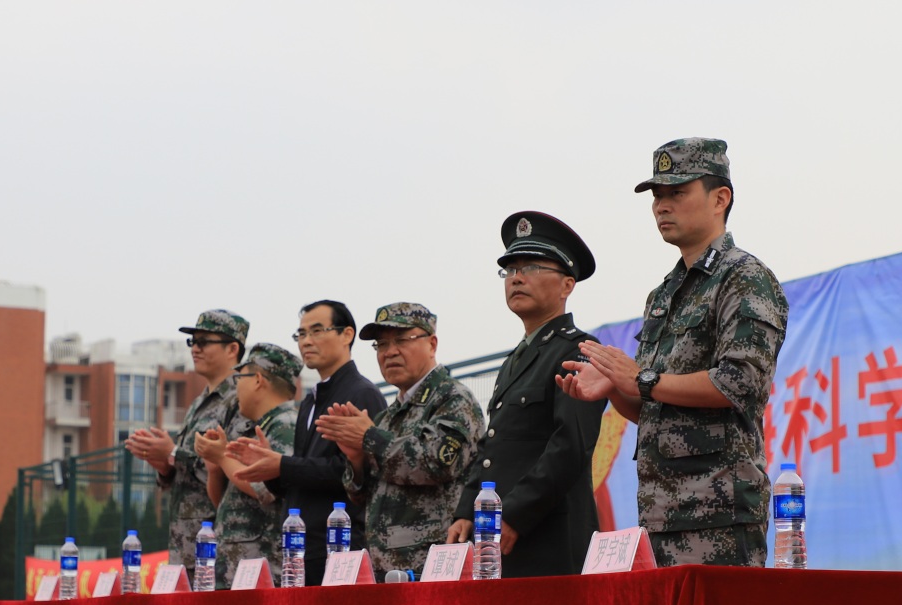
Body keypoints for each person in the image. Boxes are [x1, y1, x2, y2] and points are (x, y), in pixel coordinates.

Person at [556, 138, 788, 567]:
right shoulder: (663, 294)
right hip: (660, 514)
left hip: (720, 515)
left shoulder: (744, 277)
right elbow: (655, 409)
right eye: (657, 196)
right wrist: (615, 388)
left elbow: (741, 383)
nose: (662, 206)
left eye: (677, 192)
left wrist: (640, 379)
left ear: (720, 199)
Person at [446, 212, 606, 577]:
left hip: (548, 537)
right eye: (510, 270)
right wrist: (466, 509)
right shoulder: (514, 361)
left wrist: (515, 514)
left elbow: (570, 445)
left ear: (567, 285)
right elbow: (493, 446)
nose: (516, 277)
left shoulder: (578, 350)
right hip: (498, 537)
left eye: (532, 267)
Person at [315, 303, 484, 579]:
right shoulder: (386, 416)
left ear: (432, 344)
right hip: (385, 568)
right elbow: (361, 496)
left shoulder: (452, 399)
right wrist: (356, 459)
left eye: (402, 340)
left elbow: (437, 464)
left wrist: (369, 437)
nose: (390, 352)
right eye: (381, 344)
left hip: (434, 565)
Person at [227, 300, 386, 585]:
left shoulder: (361, 393)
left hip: (339, 547)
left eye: (316, 331)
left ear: (347, 334)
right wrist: (270, 469)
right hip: (300, 549)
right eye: (301, 334)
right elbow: (298, 478)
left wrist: (283, 465)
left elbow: (353, 473)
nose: (306, 341)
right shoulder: (310, 401)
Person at [125, 309, 247, 574]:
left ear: (232, 349)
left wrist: (173, 453)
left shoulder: (240, 401)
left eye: (204, 342)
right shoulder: (198, 403)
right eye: (192, 342)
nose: (195, 349)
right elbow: (187, 472)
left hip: (217, 549)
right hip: (185, 546)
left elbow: (232, 471)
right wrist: (164, 465)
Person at [194, 343, 301, 587]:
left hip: (262, 570)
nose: (236, 387)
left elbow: (264, 489)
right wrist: (214, 469)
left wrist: (223, 457)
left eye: (239, 378)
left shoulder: (285, 424)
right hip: (235, 569)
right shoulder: (255, 428)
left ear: (257, 380)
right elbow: (224, 506)